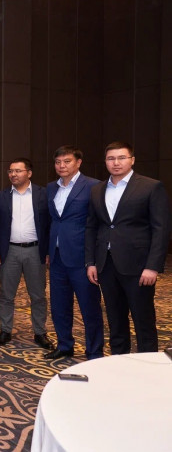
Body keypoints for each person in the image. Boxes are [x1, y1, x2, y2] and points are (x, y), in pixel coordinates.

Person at [85, 141, 170, 354]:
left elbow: (161, 230)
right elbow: (92, 228)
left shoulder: (151, 186)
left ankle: (148, 363)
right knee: (115, 319)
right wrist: (91, 262)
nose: (116, 162)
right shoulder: (97, 190)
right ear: (105, 162)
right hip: (106, 264)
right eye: (111, 158)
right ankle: (119, 360)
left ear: (132, 160)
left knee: (143, 319)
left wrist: (153, 266)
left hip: (138, 266)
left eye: (121, 158)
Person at [45, 146, 103, 360]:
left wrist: (93, 258)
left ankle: (94, 351)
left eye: (67, 161)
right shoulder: (51, 187)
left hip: (82, 257)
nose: (62, 166)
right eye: (58, 162)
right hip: (57, 256)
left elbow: (98, 223)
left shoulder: (93, 186)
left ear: (78, 163)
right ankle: (64, 345)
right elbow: (52, 220)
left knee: (89, 307)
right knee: (59, 305)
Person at [0, 158, 53, 350]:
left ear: (29, 173)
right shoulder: (1, 197)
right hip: (9, 251)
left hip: (36, 251)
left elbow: (50, 225)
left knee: (38, 295)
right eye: (10, 171)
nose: (13, 174)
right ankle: (5, 330)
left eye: (18, 171)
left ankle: (40, 332)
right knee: (6, 294)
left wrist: (49, 251)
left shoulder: (44, 194)